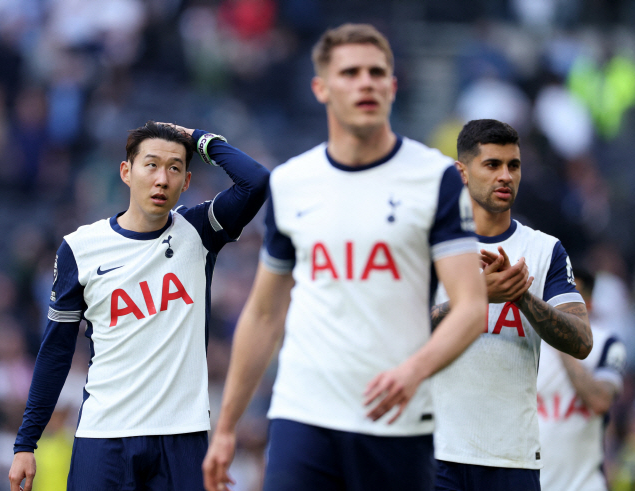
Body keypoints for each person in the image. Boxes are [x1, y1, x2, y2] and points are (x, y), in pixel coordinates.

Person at [202, 23, 488, 491]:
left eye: (377, 73)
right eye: (350, 72)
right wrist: (228, 425)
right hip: (304, 413)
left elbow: (471, 308)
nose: (366, 83)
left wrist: (413, 371)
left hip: (398, 420)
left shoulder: (436, 178)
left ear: (393, 86)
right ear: (321, 87)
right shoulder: (292, 182)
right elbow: (265, 310)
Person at [8, 121, 270, 491]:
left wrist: (199, 138)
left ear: (187, 182)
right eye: (151, 165)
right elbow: (55, 351)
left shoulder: (198, 232)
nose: (162, 178)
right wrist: (26, 442)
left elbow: (255, 181)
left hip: (183, 434)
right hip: (105, 435)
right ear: (126, 172)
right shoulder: (80, 249)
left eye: (175, 168)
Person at [430, 118, 593, 491]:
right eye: (492, 165)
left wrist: (521, 297)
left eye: (513, 165)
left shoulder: (544, 250)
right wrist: (476, 297)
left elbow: (582, 341)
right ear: (463, 172)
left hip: (511, 456)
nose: (505, 176)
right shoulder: (430, 245)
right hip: (435, 449)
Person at [537, 268, 626, 491]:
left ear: (590, 304)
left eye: (573, 298)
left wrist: (564, 341)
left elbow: (600, 401)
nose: (562, 306)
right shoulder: (528, 343)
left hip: (584, 485)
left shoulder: (607, 344)